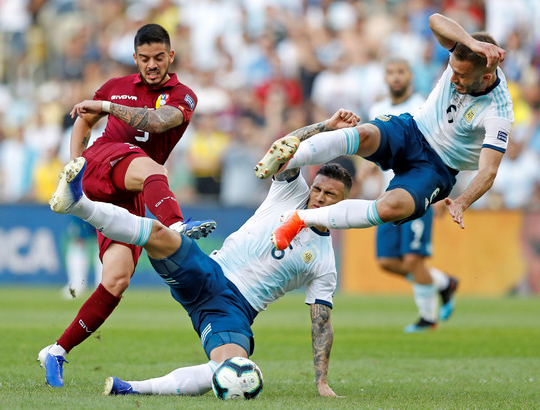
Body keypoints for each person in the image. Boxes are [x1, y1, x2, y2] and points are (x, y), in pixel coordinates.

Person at [45, 109, 360, 397]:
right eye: (317, 188)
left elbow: (321, 323)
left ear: (345, 201)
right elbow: (285, 147)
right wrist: (327, 127)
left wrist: (321, 382)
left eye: (329, 194)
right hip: (210, 272)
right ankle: (79, 204)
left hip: (235, 310)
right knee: (159, 233)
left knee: (231, 370)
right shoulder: (292, 191)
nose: (317, 198)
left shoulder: (324, 261)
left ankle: (131, 389)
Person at [37, 23, 216, 388]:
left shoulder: (184, 95)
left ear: (171, 56)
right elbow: (83, 120)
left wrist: (105, 106)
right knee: (152, 165)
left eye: (159, 58)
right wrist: (76, 166)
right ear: (135, 58)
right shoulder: (118, 86)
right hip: (104, 161)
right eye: (145, 58)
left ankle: (55, 351)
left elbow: (158, 120)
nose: (152, 65)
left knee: (116, 280)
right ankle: (178, 226)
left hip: (133, 189)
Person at [256, 14, 514, 256]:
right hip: (413, 129)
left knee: (390, 208)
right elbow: (435, 20)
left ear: (487, 76)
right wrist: (470, 42)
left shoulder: (499, 110)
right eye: (452, 70)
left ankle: (300, 219)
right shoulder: (464, 54)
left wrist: (462, 202)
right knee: (365, 134)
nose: (452, 78)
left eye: (462, 75)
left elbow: (489, 171)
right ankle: (288, 159)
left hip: (438, 168)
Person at [366, 57, 458, 333]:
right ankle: (444, 283)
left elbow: (440, 149)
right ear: (385, 77)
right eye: (391, 71)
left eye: (401, 71)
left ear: (410, 76)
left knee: (413, 259)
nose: (395, 77)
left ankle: (427, 319)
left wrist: (440, 195)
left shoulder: (424, 106)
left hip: (419, 190)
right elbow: (374, 145)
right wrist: (364, 171)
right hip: (388, 195)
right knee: (387, 261)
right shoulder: (378, 108)